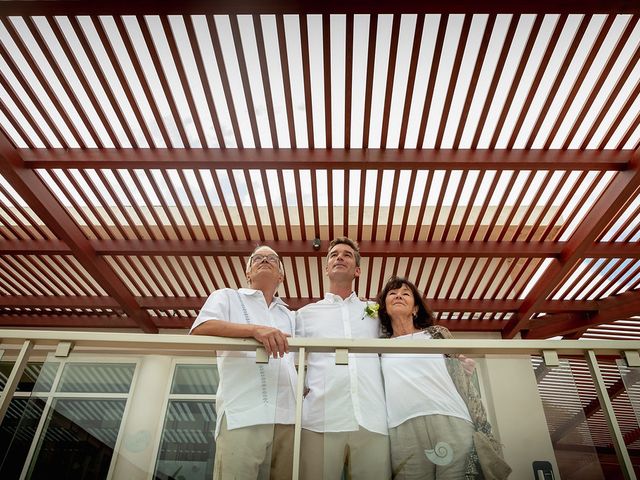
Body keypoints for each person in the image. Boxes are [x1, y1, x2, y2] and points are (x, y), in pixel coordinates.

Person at [190, 245, 297, 480]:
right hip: (243, 412)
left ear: (281, 276)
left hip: (288, 419)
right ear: (248, 273)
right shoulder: (227, 297)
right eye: (257, 258)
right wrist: (254, 330)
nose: (265, 260)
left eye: (272, 259)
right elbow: (200, 329)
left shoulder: (290, 316)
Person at [296, 237, 392, 480]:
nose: (340, 257)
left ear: (357, 270)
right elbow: (285, 357)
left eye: (347, 255)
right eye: (334, 255)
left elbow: (406, 336)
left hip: (373, 420)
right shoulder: (305, 315)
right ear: (327, 268)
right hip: (320, 419)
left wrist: (450, 353)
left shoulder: (377, 313)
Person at [376, 276, 489, 480]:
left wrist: (465, 370)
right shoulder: (378, 346)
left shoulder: (437, 335)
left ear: (416, 308)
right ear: (384, 309)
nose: (398, 296)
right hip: (402, 428)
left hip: (451, 419)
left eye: (405, 293)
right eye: (392, 294)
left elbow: (458, 371)